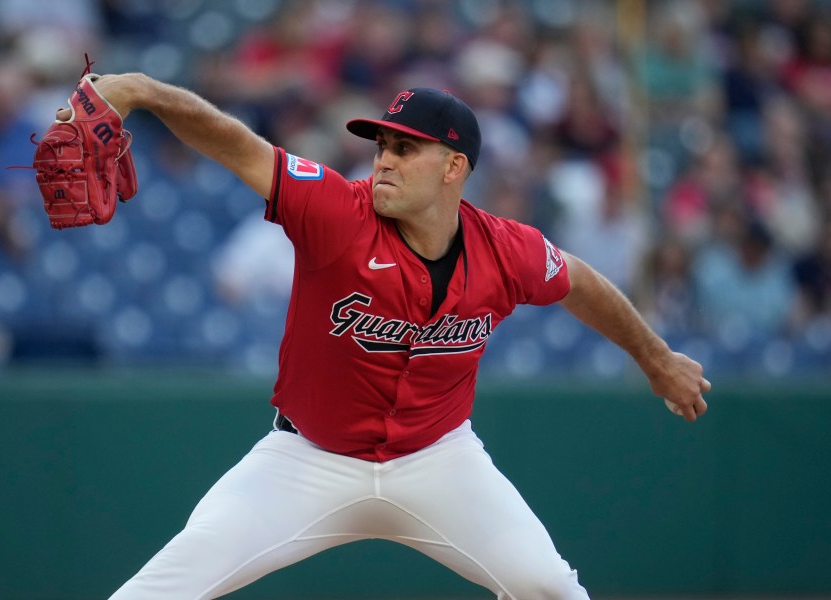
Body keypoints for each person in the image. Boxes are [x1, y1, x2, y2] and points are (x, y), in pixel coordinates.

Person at [67, 75, 711, 600]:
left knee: (549, 588)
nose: (383, 161)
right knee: (156, 592)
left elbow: (581, 283)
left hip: (440, 461)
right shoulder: (336, 213)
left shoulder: (506, 250)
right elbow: (236, 144)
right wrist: (144, 91)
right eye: (381, 147)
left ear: (455, 166)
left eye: (405, 149)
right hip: (304, 462)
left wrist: (655, 360)